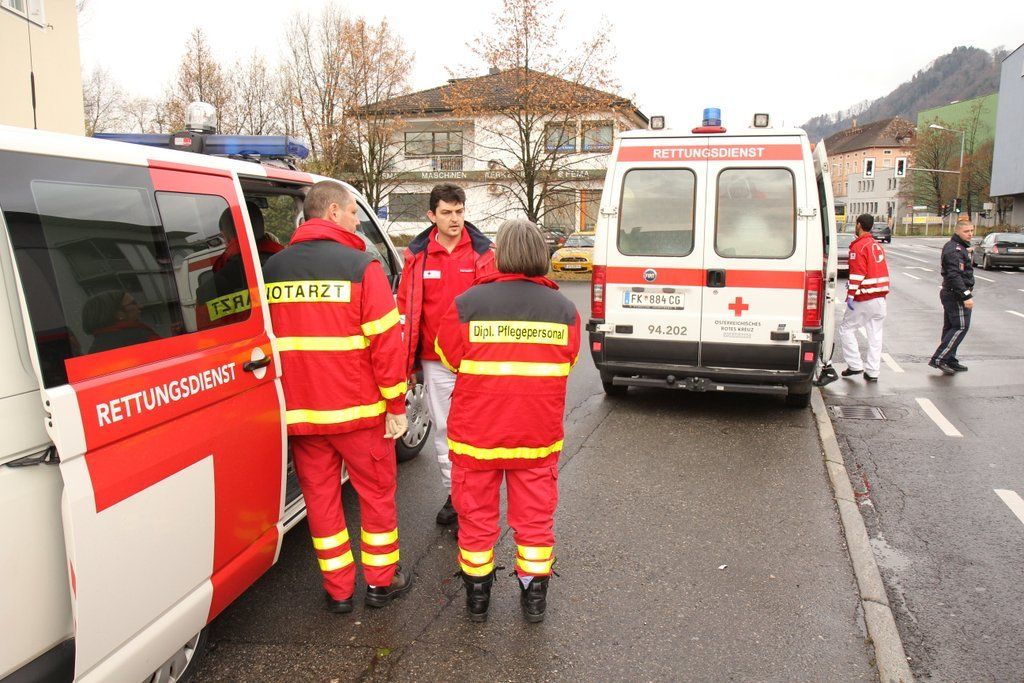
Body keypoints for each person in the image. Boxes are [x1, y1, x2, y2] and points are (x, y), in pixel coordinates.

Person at [263, 181, 412, 613]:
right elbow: (386, 344)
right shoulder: (361, 266)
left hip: (303, 416)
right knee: (376, 497)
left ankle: (338, 590)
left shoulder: (271, 269)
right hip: (359, 413)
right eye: (352, 213)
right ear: (332, 211)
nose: (356, 221)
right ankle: (381, 582)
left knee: (321, 504)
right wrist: (396, 405)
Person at [434, 219, 581, 623]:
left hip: (476, 436)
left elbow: (448, 357)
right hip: (536, 436)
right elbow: (568, 362)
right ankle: (534, 598)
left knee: (476, 520)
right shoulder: (564, 310)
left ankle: (477, 598)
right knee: (535, 521)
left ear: (500, 254)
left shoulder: (468, 303)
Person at [396, 183, 497, 526]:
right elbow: (407, 310)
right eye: (447, 212)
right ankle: (455, 496)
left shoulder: (484, 253)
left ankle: (477, 498)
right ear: (431, 215)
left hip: (476, 360)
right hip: (434, 360)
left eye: (459, 211)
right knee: (444, 430)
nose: (455, 219)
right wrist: (406, 363)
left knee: (478, 430)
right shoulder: (418, 256)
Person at [838, 214, 890, 382]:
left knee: (846, 328)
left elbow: (857, 274)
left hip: (864, 296)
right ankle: (873, 371)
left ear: (859, 225)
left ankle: (855, 365)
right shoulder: (876, 245)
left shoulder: (858, 246)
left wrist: (850, 295)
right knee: (875, 335)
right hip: (880, 297)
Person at [929, 218, 976, 374]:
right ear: (957, 231)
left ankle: (949, 359)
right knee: (960, 326)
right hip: (955, 294)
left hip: (952, 292)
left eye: (971, 231)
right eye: (966, 231)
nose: (970, 234)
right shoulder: (954, 250)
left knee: (951, 327)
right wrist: (966, 296)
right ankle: (940, 359)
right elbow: (954, 275)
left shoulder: (959, 247)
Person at [82, 289, 160, 353]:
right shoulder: (141, 337)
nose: (140, 306)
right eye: (133, 303)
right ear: (119, 314)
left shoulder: (94, 352)